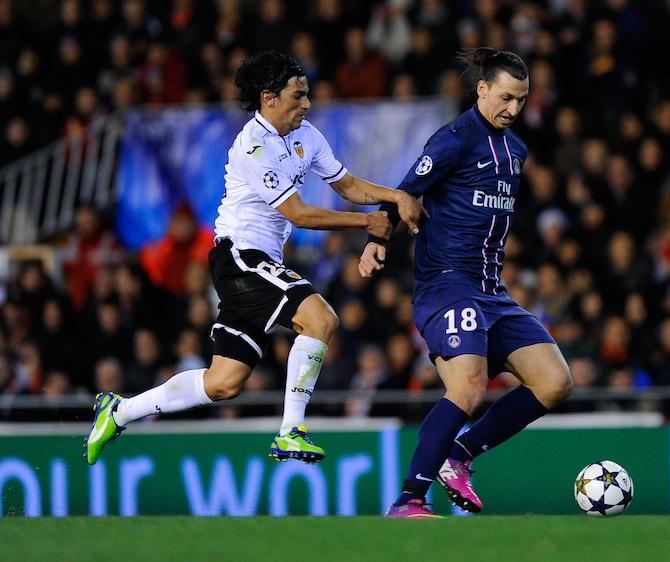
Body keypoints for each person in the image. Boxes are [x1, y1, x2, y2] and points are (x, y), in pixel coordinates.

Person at [84, 50, 423, 465]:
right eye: (298, 96)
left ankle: (118, 412)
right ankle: (291, 432)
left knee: (223, 382)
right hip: (240, 258)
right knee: (321, 319)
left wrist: (396, 195)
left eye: (308, 95)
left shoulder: (307, 135)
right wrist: (364, 224)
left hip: (254, 264)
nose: (307, 104)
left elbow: (347, 184)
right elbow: (297, 214)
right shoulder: (253, 146)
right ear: (269, 98)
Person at [360, 48, 573, 518]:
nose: (513, 109)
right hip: (446, 284)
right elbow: (405, 192)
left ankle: (461, 454)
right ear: (481, 89)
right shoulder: (454, 139)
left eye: (521, 100)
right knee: (469, 386)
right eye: (505, 97)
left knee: (555, 382)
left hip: (491, 291)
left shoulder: (516, 150)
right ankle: (409, 499)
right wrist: (379, 240)